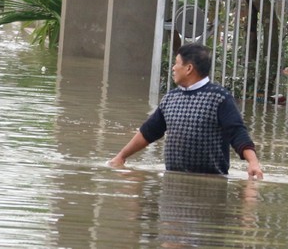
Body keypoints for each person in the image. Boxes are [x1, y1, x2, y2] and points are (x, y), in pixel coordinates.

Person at [108, 43, 264, 179]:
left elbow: (237, 132)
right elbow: (149, 131)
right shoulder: (171, 98)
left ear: (189, 68)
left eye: (176, 63)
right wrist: (121, 157)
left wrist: (253, 163)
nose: (173, 68)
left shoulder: (219, 97)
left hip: (210, 184)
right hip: (172, 184)